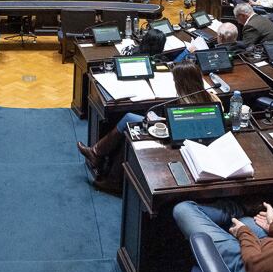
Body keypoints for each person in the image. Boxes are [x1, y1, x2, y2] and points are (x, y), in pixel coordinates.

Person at [76, 62, 213, 194]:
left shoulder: (184, 105)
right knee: (129, 122)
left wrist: (158, 121)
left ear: (182, 83)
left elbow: (180, 130)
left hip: (176, 143)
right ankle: (99, 158)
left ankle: (101, 161)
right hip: (180, 135)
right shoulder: (210, 97)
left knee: (129, 127)